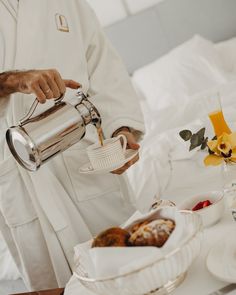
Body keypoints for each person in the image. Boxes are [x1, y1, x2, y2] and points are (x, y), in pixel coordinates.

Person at [0, 0, 145, 291]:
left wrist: (122, 130)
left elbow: (106, 71)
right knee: (60, 286)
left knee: (136, 268)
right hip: (20, 176)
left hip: (84, 162)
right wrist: (13, 81)